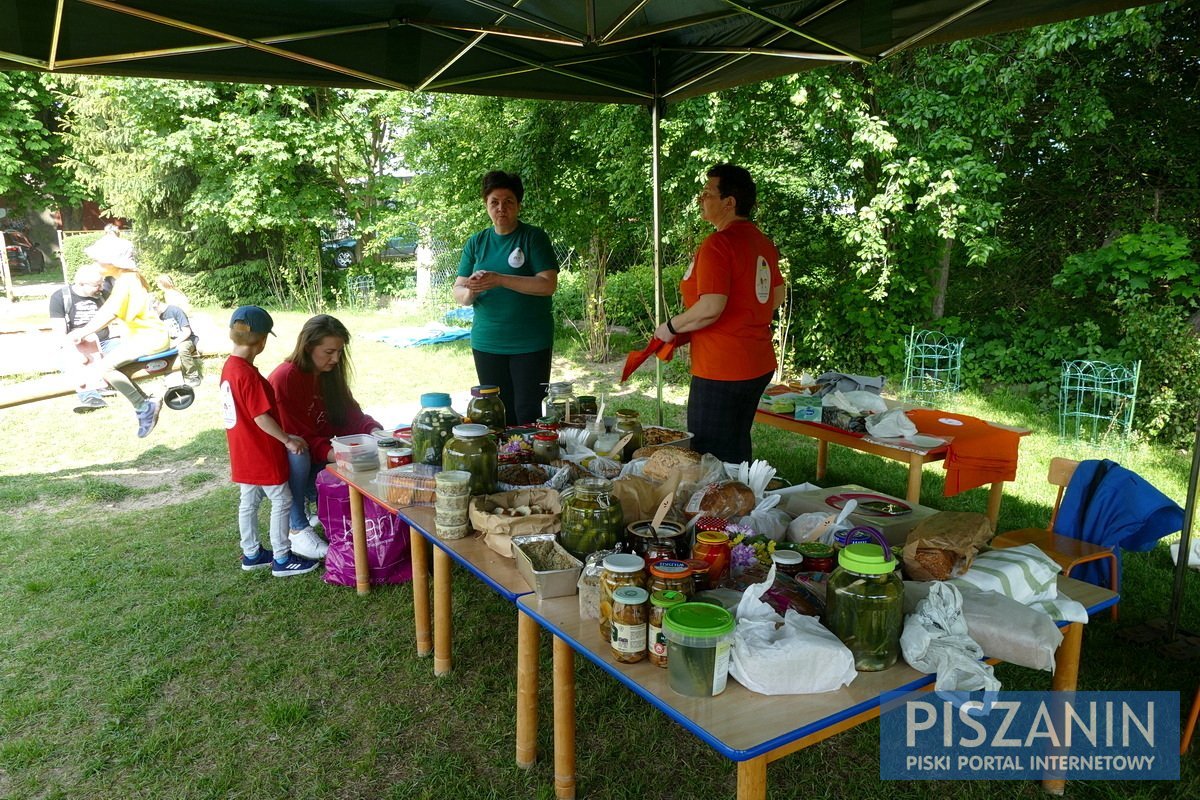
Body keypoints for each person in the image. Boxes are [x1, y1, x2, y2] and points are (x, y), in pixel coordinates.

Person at [653, 163, 785, 463]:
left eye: (707, 193)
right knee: (736, 447)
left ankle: (720, 508)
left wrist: (671, 327)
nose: (701, 199)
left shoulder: (719, 242)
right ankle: (742, 500)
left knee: (710, 456)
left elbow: (711, 306)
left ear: (729, 202)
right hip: (756, 362)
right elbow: (775, 296)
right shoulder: (761, 242)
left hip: (722, 368)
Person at [269, 315, 382, 559]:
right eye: (329, 351)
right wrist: (340, 456)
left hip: (322, 454)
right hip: (291, 456)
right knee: (298, 453)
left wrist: (374, 432)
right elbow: (298, 437)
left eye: (340, 351)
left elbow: (352, 415)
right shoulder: (286, 377)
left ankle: (317, 506)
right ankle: (297, 528)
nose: (336, 359)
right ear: (308, 347)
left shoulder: (329, 374)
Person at [453, 170, 559, 425]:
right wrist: (471, 291)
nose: (501, 208)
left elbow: (547, 285)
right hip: (487, 342)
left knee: (527, 410)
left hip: (530, 342)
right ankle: (504, 462)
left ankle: (530, 463)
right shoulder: (476, 242)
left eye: (508, 201)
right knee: (494, 411)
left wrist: (500, 279)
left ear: (518, 205)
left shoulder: (533, 237)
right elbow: (459, 291)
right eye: (494, 202)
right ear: (486, 205)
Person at [220, 306, 319, 578]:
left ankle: (251, 553)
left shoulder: (229, 368)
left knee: (248, 502)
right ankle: (282, 557)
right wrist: (287, 440)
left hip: (241, 451)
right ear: (262, 341)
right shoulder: (247, 375)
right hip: (261, 452)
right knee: (282, 499)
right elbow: (261, 417)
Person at [68, 244, 171, 438]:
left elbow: (109, 312)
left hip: (149, 338)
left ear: (114, 262)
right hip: (147, 336)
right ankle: (146, 404)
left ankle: (143, 406)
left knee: (104, 367)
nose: (96, 262)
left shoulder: (126, 281)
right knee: (112, 365)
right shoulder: (128, 278)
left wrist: (83, 332)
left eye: (99, 258)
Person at [49, 263, 116, 412]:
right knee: (76, 362)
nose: (100, 288)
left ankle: (107, 385)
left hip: (104, 342)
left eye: (101, 283)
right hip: (77, 345)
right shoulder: (60, 297)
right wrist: (72, 344)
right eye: (96, 285)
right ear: (80, 284)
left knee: (122, 349)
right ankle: (91, 398)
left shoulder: (104, 294)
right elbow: (59, 332)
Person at [155, 297, 202, 386]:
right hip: (171, 340)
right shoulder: (157, 317)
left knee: (182, 349)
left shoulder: (175, 310)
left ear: (156, 305)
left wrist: (173, 344)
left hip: (187, 339)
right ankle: (169, 377)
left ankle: (193, 376)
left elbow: (187, 332)